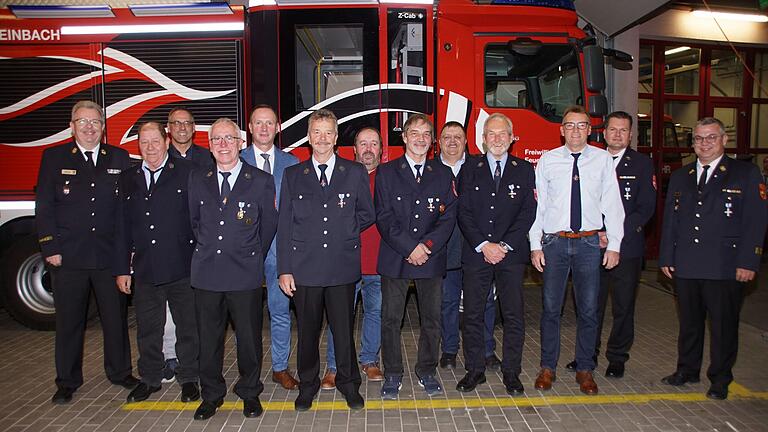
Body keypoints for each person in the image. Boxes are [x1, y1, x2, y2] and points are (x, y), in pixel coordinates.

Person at [659, 117, 767, 400]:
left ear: (724, 140)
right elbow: (671, 219)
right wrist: (667, 256)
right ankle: (687, 370)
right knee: (690, 323)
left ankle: (720, 378)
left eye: (711, 137)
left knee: (723, 326)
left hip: (725, 265)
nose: (704, 143)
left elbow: (756, 221)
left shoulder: (745, 173)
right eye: (698, 138)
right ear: (692, 142)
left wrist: (749, 261)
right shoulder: (682, 175)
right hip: (687, 263)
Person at [36, 100, 137, 404]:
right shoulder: (54, 158)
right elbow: (44, 206)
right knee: (69, 321)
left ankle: (120, 372)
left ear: (103, 127)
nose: (90, 127)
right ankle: (67, 380)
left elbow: (127, 210)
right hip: (69, 257)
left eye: (95, 122)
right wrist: (50, 246)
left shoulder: (118, 157)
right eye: (83, 122)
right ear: (72, 126)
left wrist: (128, 252)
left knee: (115, 319)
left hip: (109, 257)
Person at [277, 109, 374, 411]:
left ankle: (348, 384)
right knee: (307, 333)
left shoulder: (354, 172)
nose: (321, 138)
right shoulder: (294, 175)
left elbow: (367, 213)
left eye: (327, 132)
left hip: (341, 266)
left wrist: (343, 233)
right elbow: (284, 224)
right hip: (304, 269)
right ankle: (308, 385)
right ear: (309, 137)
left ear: (335, 138)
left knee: (343, 331)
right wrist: (284, 270)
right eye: (316, 132)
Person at [529, 105, 624, 395]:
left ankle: (585, 368)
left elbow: (613, 205)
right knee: (550, 310)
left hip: (588, 243)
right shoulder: (547, 161)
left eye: (581, 125)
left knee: (589, 310)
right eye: (569, 125)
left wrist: (615, 245)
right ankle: (548, 367)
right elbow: (539, 208)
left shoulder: (603, 161)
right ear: (561, 130)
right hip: (555, 243)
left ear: (589, 129)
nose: (575, 130)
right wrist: (535, 245)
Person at [188, 118, 278, 420]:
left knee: (249, 339)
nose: (223, 145)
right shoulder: (197, 178)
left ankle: (250, 392)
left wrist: (251, 255)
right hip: (207, 273)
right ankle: (211, 395)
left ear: (241, 143)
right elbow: (195, 223)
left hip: (244, 273)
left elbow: (268, 226)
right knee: (209, 339)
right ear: (210, 145)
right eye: (217, 140)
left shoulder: (260, 180)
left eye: (229, 139)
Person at [564, 111, 656, 378]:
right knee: (589, 304)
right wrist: (598, 232)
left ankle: (617, 357)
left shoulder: (642, 165)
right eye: (612, 130)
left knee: (623, 306)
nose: (617, 134)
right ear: (603, 133)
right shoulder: (591, 159)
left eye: (623, 130)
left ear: (630, 134)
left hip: (626, 246)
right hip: (590, 245)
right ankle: (587, 353)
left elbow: (645, 208)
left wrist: (613, 232)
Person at [113, 122, 200, 403]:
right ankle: (150, 378)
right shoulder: (128, 178)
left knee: (188, 328)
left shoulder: (186, 173)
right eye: (144, 143)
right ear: (138, 146)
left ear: (166, 141)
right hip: (145, 268)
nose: (150, 148)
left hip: (181, 266)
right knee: (148, 328)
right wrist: (122, 269)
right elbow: (122, 228)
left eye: (155, 141)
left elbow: (198, 221)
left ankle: (189, 378)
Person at [376, 114, 458, 399]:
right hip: (397, 256)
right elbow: (384, 217)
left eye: (426, 134)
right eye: (415, 133)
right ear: (404, 137)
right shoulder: (387, 173)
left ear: (432, 140)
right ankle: (393, 373)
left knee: (432, 319)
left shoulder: (443, 173)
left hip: (431, 257)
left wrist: (427, 246)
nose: (420, 139)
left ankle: (426, 370)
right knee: (390, 319)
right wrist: (410, 247)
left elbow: (448, 218)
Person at [456, 113, 536, 395]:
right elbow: (463, 212)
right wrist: (484, 245)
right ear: (483, 139)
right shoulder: (470, 168)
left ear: (512, 138)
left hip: (510, 256)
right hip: (477, 254)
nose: (497, 139)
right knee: (473, 315)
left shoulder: (524, 170)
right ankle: (475, 370)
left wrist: (504, 246)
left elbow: (528, 213)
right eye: (492, 133)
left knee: (513, 315)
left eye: (503, 134)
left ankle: (511, 372)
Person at [241, 104, 300, 390]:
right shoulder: (235, 160)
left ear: (278, 128)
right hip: (244, 253)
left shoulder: (291, 163)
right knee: (245, 315)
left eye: (269, 123)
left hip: (279, 251)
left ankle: (279, 367)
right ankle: (248, 369)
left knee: (279, 311)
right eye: (258, 123)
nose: (264, 128)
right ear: (249, 128)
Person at [322, 127, 385, 389]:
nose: (368, 149)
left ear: (382, 149)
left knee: (375, 312)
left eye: (373, 143)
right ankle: (334, 367)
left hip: (379, 262)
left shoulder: (390, 177)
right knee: (339, 316)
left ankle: (369, 360)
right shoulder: (340, 176)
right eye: (363, 143)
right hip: (345, 262)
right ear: (354, 149)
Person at [437, 121, 500, 371]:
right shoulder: (430, 170)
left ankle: (487, 350)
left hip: (477, 249)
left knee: (484, 302)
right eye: (446, 137)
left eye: (458, 137)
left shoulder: (481, 167)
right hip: (444, 249)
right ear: (438, 142)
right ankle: (450, 350)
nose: (452, 141)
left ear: (467, 142)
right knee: (447, 302)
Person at [161, 107, 212, 382]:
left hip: (202, 242)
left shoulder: (207, 157)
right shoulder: (159, 156)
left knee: (200, 305)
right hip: (171, 244)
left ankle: (197, 356)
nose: (182, 128)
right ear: (168, 128)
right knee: (171, 307)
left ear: (194, 128)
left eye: (187, 123)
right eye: (176, 123)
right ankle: (171, 356)